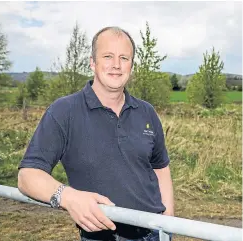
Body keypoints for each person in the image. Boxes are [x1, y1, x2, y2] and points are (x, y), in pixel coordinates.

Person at [17, 26, 174, 241]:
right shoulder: (64, 111)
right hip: (101, 236)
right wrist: (68, 197)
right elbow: (27, 176)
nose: (116, 65)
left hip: (153, 233)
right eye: (107, 56)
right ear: (92, 62)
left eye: (124, 58)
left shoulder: (147, 112)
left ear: (132, 65)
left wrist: (168, 223)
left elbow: (160, 167)